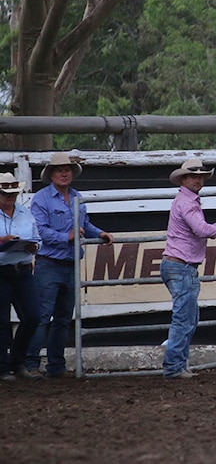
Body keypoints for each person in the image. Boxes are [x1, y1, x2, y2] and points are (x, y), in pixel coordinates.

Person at [24, 152, 114, 378]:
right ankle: (31, 363)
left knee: (63, 318)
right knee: (43, 316)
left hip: (70, 263)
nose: (64, 174)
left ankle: (55, 365)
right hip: (49, 263)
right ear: (51, 174)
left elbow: (85, 225)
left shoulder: (76, 197)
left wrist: (99, 233)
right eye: (59, 170)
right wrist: (68, 237)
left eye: (67, 170)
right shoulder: (42, 199)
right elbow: (40, 231)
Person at [161, 159, 216, 379]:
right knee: (184, 318)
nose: (198, 179)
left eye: (201, 176)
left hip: (178, 264)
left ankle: (178, 364)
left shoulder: (184, 200)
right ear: (184, 179)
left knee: (187, 316)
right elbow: (201, 229)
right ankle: (173, 367)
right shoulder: (188, 203)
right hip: (182, 265)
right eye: (193, 176)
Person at [0, 173, 42, 382]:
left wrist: (33, 246)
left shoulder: (25, 212)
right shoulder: (24, 212)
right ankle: (4, 366)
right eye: (6, 193)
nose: (10, 196)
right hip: (2, 270)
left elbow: (37, 238)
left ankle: (16, 362)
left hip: (23, 267)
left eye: (13, 192)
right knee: (1, 321)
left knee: (33, 316)